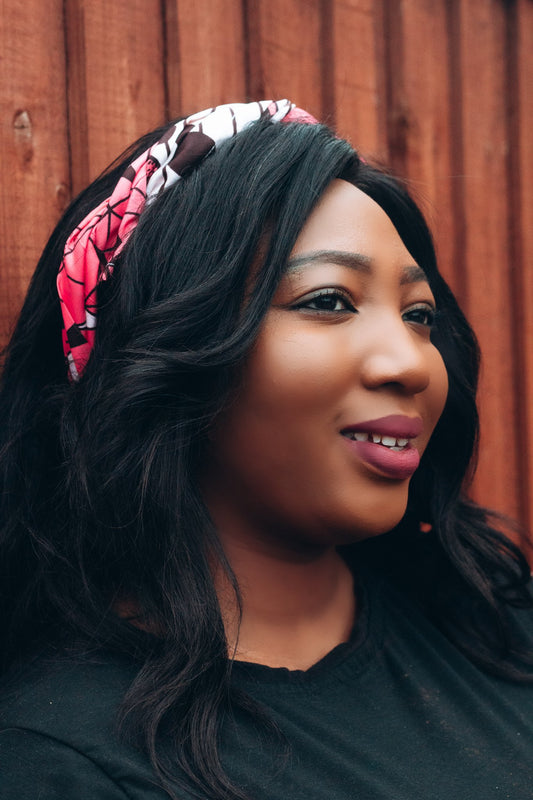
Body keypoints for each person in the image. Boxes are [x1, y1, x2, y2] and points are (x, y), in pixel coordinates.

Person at [0, 99, 532, 800]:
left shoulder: (495, 627)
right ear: (164, 353)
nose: (409, 362)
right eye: (328, 302)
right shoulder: (69, 760)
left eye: (418, 314)